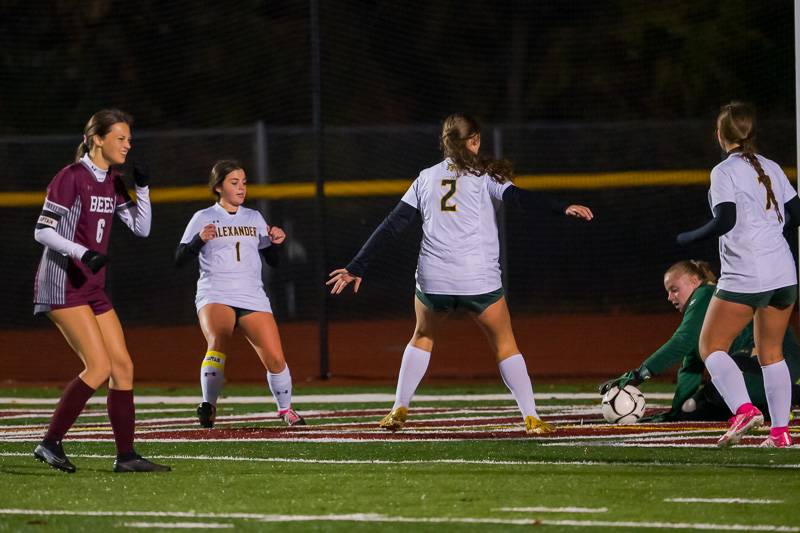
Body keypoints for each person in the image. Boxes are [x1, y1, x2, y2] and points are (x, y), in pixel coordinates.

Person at [327, 113, 593, 434]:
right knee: (505, 345)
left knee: (422, 337)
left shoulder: (426, 177)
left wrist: (358, 265)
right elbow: (521, 199)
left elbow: (393, 224)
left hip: (433, 281)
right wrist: (561, 207)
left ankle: (399, 408)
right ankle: (531, 417)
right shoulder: (485, 177)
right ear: (475, 140)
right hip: (477, 280)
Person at [32, 109, 169, 473]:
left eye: (129, 138)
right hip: (62, 283)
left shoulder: (112, 180)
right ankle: (49, 442)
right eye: (120, 138)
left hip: (92, 286)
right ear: (97, 139)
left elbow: (141, 229)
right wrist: (82, 252)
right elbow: (42, 231)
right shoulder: (71, 176)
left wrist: (143, 189)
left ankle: (126, 456)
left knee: (123, 366)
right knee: (98, 366)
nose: (128, 144)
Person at [677, 102, 800, 448]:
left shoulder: (723, 172)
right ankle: (780, 434)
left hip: (747, 273)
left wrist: (689, 238)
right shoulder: (772, 166)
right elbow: (797, 213)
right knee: (771, 352)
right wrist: (770, 231)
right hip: (783, 272)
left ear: (720, 135)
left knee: (710, 346)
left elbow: (726, 220)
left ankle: (744, 410)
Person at [175, 160, 305, 428]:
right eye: (234, 183)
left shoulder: (254, 217)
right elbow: (178, 259)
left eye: (244, 182)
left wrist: (276, 241)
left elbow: (273, 261)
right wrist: (199, 239)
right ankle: (208, 405)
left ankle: (286, 410)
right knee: (219, 340)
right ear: (218, 186)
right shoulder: (202, 217)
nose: (241, 188)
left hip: (252, 295)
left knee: (276, 358)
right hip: (216, 292)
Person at [600, 260, 800, 422]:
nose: (670, 297)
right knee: (691, 408)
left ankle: (782, 402)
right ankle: (764, 408)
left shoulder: (705, 294)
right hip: (748, 366)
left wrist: (639, 374)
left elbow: (682, 341)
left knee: (717, 390)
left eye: (674, 289)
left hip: (773, 364)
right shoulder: (701, 307)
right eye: (668, 292)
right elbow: (691, 366)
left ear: (694, 281)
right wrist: (675, 414)